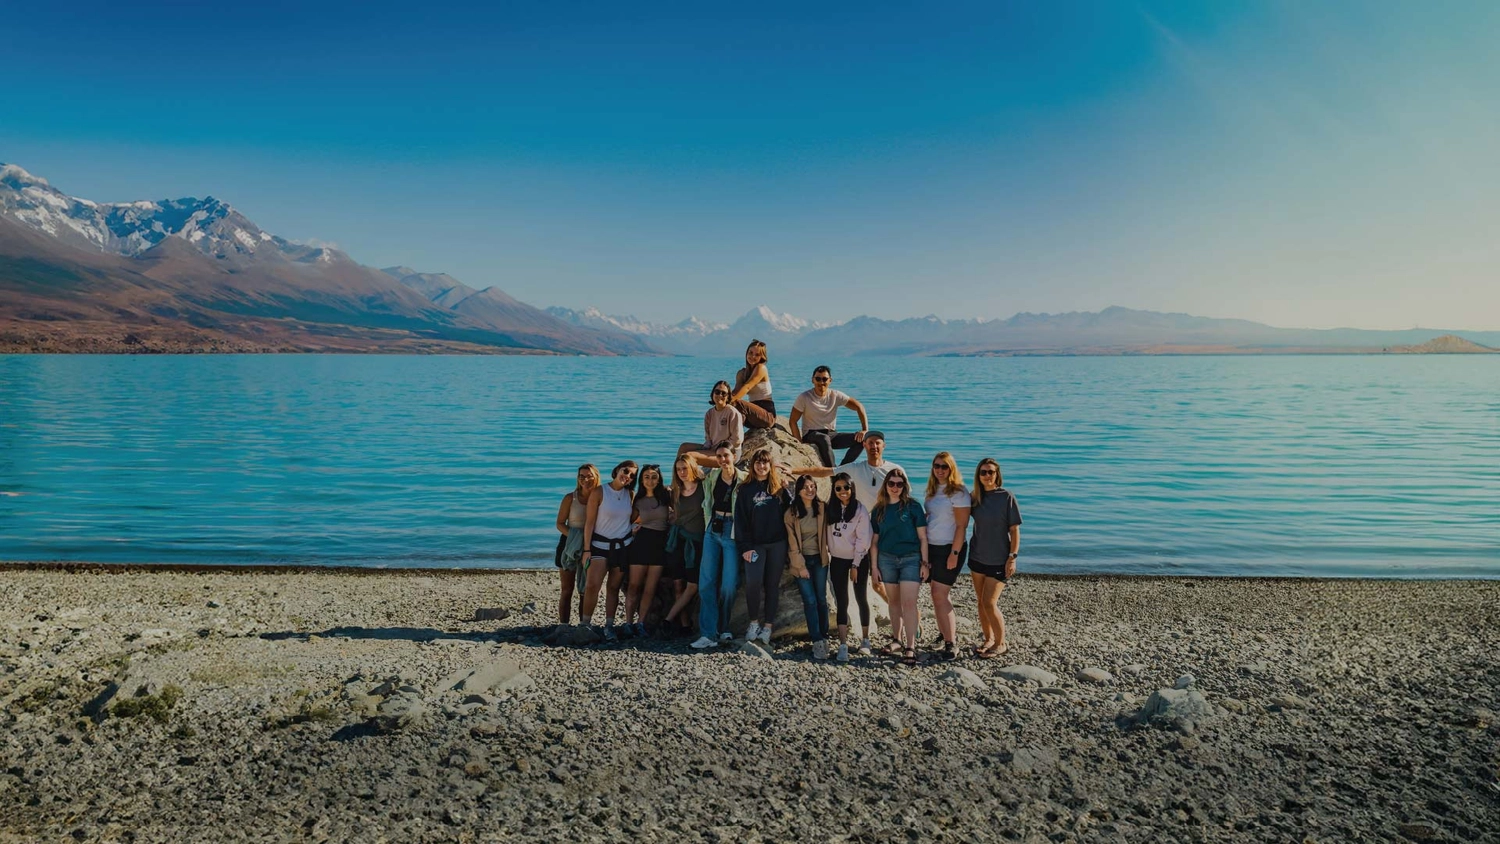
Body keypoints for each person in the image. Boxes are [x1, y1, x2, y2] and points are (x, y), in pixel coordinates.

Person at [691, 442, 748, 650]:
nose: (723, 460)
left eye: (726, 455)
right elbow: (689, 468)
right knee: (706, 582)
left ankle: (724, 628)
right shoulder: (712, 477)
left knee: (728, 584)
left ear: (734, 456)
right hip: (712, 529)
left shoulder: (744, 479)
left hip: (733, 531)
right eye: (719, 456)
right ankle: (708, 633)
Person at [869, 468, 927, 666]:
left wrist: (925, 563)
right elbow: (874, 542)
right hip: (886, 559)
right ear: (886, 485)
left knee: (909, 603)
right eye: (891, 483)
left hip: (911, 559)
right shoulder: (879, 509)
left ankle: (910, 646)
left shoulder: (913, 507)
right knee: (893, 602)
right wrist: (874, 567)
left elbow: (923, 537)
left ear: (905, 486)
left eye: (899, 484)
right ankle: (897, 640)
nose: (895, 487)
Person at [734, 448, 792, 645]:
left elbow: (792, 511)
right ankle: (753, 623)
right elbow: (740, 521)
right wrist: (745, 547)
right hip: (755, 545)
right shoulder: (745, 489)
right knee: (753, 583)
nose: (761, 466)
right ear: (753, 465)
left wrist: (787, 489)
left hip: (777, 544)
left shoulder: (777, 488)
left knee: (772, 586)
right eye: (757, 462)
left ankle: (767, 627)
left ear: (770, 465)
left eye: (765, 462)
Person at [968, 458, 1022, 658]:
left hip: (999, 559)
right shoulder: (975, 497)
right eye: (983, 472)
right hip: (976, 557)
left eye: (991, 472)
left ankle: (1001, 643)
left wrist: (1012, 557)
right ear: (978, 475)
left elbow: (1014, 530)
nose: (987, 475)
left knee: (990, 602)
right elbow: (957, 513)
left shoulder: (1006, 496)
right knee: (980, 602)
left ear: (997, 474)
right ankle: (988, 638)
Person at [581, 460, 638, 641]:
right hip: (599, 546)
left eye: (632, 475)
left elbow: (636, 518)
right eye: (626, 471)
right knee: (592, 586)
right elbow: (589, 522)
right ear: (618, 470)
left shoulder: (631, 494)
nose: (627, 476)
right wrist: (586, 549)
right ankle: (585, 624)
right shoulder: (600, 492)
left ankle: (609, 626)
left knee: (613, 587)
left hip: (622, 547)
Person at [923, 452, 971, 661]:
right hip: (932, 547)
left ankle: (951, 643)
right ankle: (944, 633)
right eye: (936, 466)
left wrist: (954, 553)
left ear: (951, 469)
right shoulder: (932, 491)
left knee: (939, 594)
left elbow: (961, 526)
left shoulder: (958, 492)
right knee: (938, 594)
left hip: (950, 548)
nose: (940, 470)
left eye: (944, 466)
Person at [786, 474, 831, 659]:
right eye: (806, 487)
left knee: (821, 598)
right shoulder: (791, 513)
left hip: (820, 560)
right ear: (798, 490)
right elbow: (792, 543)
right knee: (810, 601)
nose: (810, 490)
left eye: (813, 486)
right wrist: (800, 566)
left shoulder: (822, 508)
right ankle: (816, 640)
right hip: (801, 563)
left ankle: (824, 635)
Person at [624, 464, 671, 637]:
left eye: (654, 477)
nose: (650, 480)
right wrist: (634, 527)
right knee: (634, 586)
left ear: (659, 479)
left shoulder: (666, 496)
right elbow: (628, 521)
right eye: (646, 477)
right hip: (641, 544)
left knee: (650, 588)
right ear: (641, 480)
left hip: (660, 545)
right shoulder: (637, 499)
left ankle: (640, 623)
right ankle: (628, 623)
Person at [789, 366, 869, 467]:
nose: (821, 382)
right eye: (818, 379)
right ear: (812, 380)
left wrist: (864, 430)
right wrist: (799, 443)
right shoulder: (804, 397)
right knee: (824, 438)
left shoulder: (835, 395)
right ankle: (833, 472)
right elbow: (793, 421)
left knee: (862, 440)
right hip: (811, 434)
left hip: (831, 434)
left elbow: (859, 406)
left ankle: (842, 469)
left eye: (824, 379)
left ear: (830, 380)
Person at [663, 456, 705, 634]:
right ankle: (684, 624)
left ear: (692, 468)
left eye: (685, 468)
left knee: (693, 585)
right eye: (679, 469)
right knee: (678, 584)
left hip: (696, 543)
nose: (682, 472)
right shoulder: (674, 491)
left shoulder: (704, 487)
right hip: (678, 541)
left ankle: (668, 619)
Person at [553, 464, 599, 625]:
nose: (585, 480)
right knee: (567, 590)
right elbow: (559, 523)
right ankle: (564, 625)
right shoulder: (570, 498)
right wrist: (577, 539)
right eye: (582, 476)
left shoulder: (600, 497)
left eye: (589, 476)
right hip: (568, 545)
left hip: (591, 546)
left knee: (585, 589)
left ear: (596, 477)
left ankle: (583, 625)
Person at [678, 381, 743, 464]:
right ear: (713, 394)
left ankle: (692, 475)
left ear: (728, 397)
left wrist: (719, 448)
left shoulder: (732, 413)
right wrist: (707, 448)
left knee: (690, 456)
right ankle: (676, 475)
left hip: (728, 452)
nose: (720, 395)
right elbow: (708, 438)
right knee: (684, 447)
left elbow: (737, 440)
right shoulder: (709, 414)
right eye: (717, 392)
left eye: (723, 393)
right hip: (713, 448)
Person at [728, 339, 777, 429]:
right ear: (746, 353)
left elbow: (747, 386)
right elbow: (736, 391)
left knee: (736, 403)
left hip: (767, 416)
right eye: (750, 353)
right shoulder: (741, 373)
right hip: (752, 416)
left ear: (762, 357)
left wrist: (729, 402)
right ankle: (726, 439)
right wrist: (723, 401)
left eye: (757, 355)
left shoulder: (761, 368)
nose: (753, 356)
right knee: (733, 413)